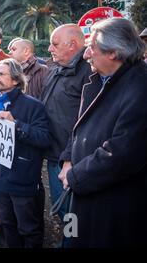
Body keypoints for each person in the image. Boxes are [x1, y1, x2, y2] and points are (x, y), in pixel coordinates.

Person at [58, 18, 147, 247]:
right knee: (71, 235)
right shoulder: (98, 80)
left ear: (114, 53)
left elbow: (122, 154)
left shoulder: (139, 89)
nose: (86, 54)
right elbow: (80, 126)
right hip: (80, 191)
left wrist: (75, 176)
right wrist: (68, 159)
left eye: (92, 48)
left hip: (109, 205)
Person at [0, 58, 50, 248]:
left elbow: (44, 138)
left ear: (15, 80)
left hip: (20, 175)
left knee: (28, 228)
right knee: (7, 224)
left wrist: (17, 125)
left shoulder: (33, 105)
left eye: (1, 73)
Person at [40, 24, 92, 224]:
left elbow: (87, 119)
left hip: (71, 159)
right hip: (53, 153)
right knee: (63, 210)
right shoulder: (55, 68)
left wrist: (69, 157)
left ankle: (72, 241)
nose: (50, 49)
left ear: (72, 44)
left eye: (54, 44)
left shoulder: (89, 72)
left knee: (72, 214)